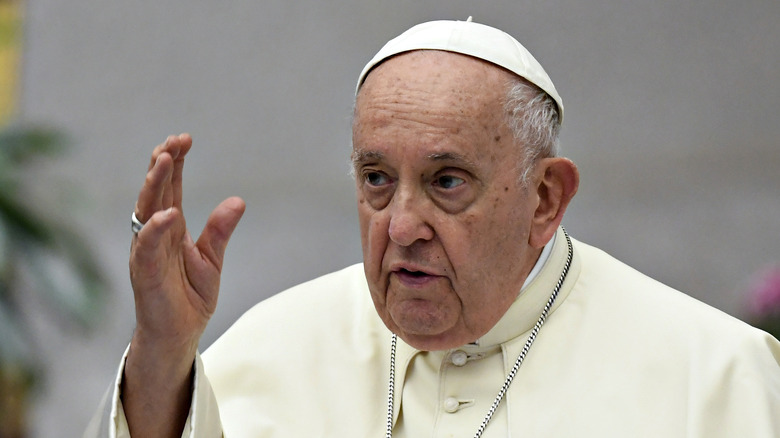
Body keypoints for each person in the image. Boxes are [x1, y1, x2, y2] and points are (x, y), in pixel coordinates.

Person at [86, 19, 780, 437]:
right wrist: (164, 351)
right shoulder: (272, 348)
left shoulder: (713, 374)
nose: (403, 225)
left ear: (545, 199)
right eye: (377, 180)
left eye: (447, 181)